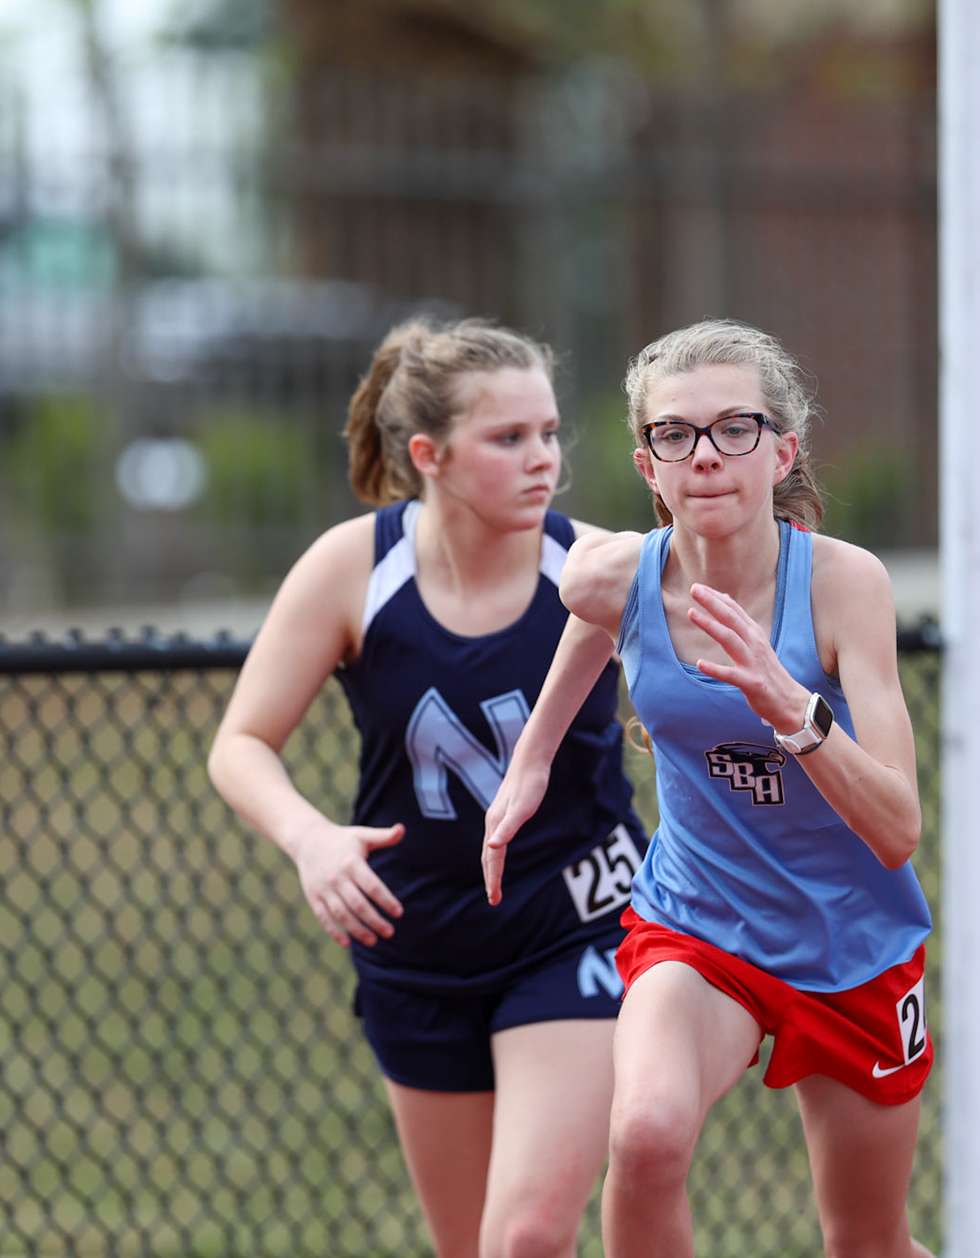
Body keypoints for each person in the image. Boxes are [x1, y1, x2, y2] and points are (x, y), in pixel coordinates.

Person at [482, 319, 935, 1258]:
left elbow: (897, 830)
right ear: (648, 465)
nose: (707, 456)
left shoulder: (846, 587)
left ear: (783, 449)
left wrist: (787, 702)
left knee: (867, 1243)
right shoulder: (614, 573)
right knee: (644, 1135)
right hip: (700, 920)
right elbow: (592, 623)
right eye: (675, 435)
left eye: (736, 428)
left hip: (852, 940)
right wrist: (528, 765)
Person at [206, 316, 646, 1258]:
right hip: (417, 945)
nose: (544, 461)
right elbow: (240, 742)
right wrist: (309, 838)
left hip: (572, 924)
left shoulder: (598, 567)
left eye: (551, 433)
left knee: (526, 1235)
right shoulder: (353, 569)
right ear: (429, 456)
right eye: (509, 438)